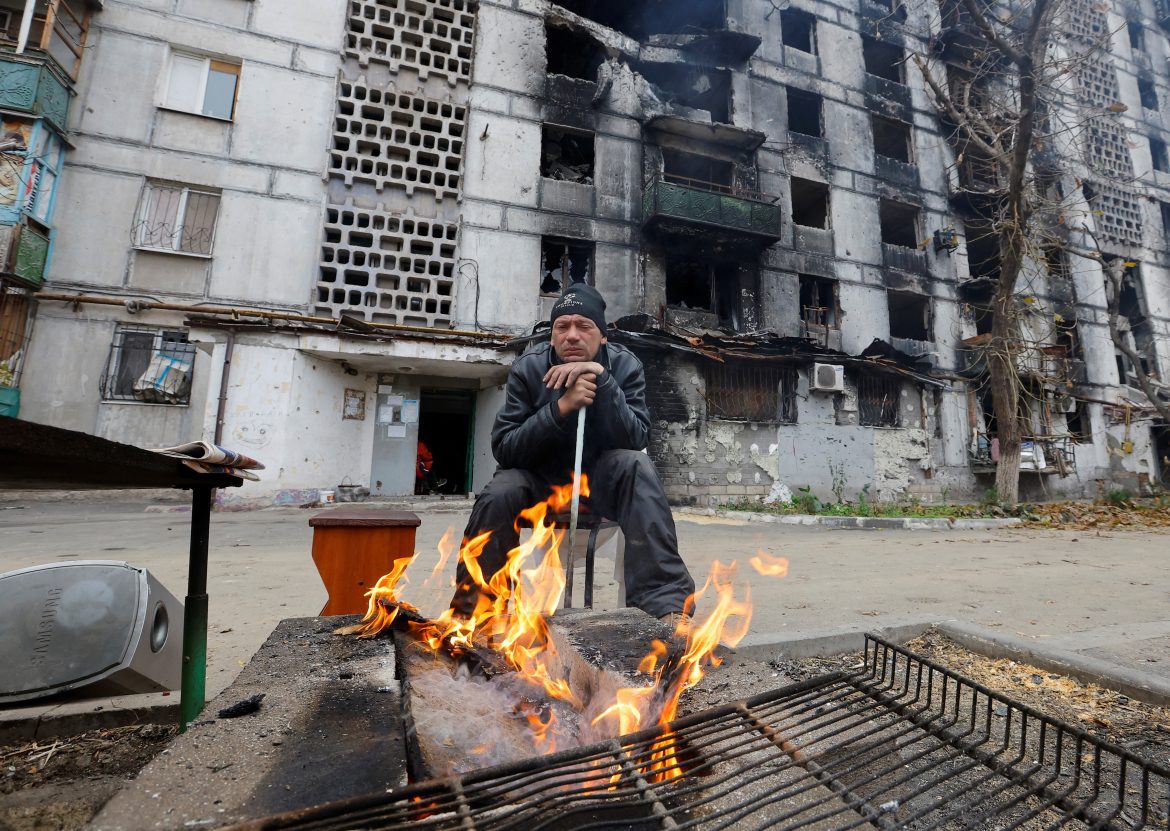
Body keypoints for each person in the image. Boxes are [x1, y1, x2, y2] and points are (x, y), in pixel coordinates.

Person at [451, 283, 695, 622]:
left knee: (636, 465)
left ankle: (666, 608)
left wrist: (603, 380)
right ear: (551, 337)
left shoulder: (626, 367)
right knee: (499, 492)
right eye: (562, 327)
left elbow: (637, 435)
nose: (572, 336)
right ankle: (473, 615)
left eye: (584, 326)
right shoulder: (529, 368)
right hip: (539, 481)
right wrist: (561, 407)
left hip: (599, 483)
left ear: (603, 336)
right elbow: (506, 448)